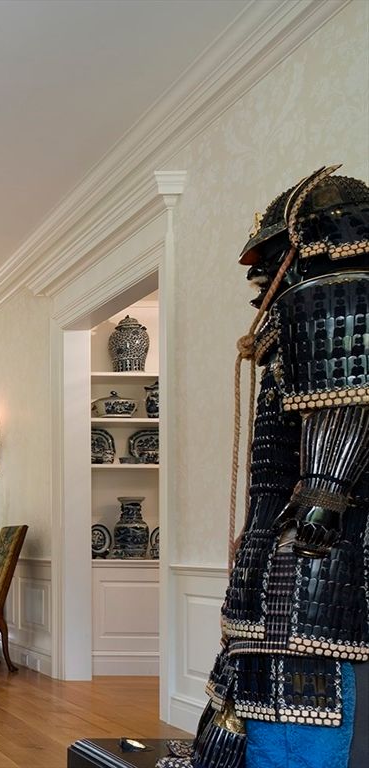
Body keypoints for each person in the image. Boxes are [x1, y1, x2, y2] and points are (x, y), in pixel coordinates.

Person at [160, 166, 369, 768]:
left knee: (293, 686)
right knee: (266, 683)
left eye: (270, 259)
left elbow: (343, 408)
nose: (260, 277)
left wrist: (318, 504)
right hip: (295, 535)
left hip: (314, 549)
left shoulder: (334, 299)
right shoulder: (293, 321)